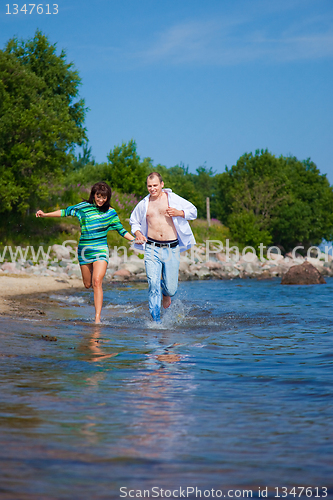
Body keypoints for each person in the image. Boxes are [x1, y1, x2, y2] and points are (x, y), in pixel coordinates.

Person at [36, 182, 140, 323]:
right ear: (94, 195)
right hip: (84, 251)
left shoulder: (111, 212)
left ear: (108, 198)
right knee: (87, 284)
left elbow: (121, 230)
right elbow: (65, 212)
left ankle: (97, 318)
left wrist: (135, 239)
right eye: (99, 196)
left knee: (97, 282)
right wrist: (45, 214)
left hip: (101, 250)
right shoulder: (83, 208)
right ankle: (93, 291)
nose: (101, 200)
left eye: (104, 197)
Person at [130, 172, 197, 322]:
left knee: (171, 289)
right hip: (151, 247)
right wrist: (139, 233)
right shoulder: (144, 204)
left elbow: (194, 212)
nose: (152, 189)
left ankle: (166, 293)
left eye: (155, 185)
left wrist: (179, 213)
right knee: (152, 284)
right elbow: (133, 221)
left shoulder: (173, 199)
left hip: (171, 248)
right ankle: (156, 321)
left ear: (162, 184)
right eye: (149, 186)